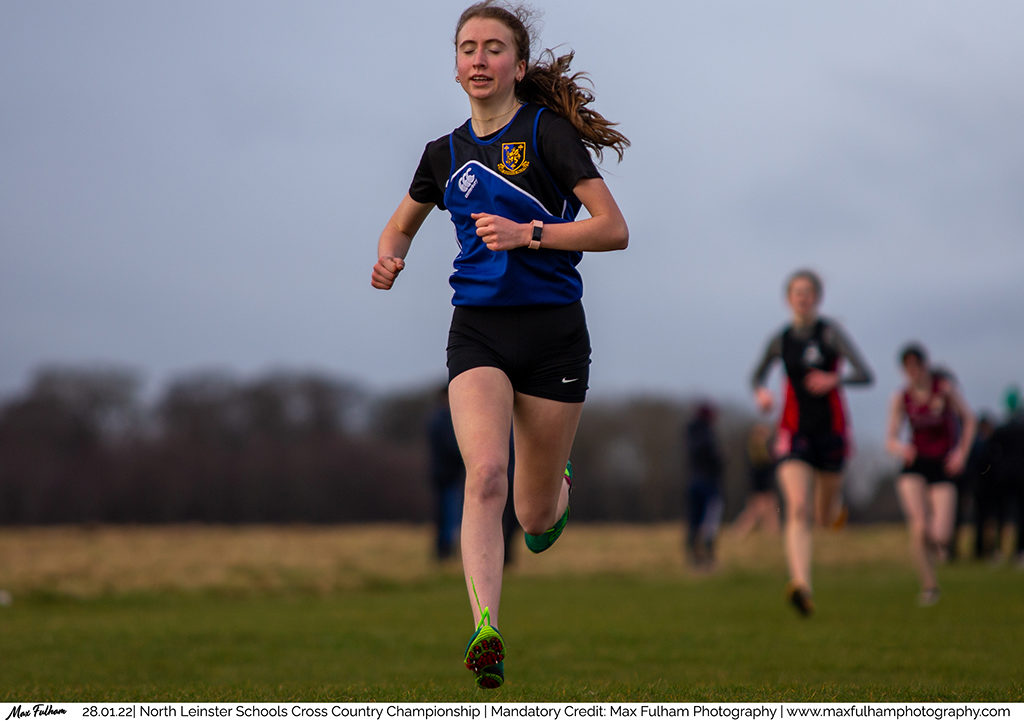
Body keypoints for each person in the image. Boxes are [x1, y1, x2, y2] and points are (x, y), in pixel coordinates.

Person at [371, 0, 628, 689]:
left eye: (493, 48)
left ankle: (556, 486)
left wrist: (529, 235)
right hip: (479, 330)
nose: (479, 59)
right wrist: (390, 257)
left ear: (517, 65)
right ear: (455, 67)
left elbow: (612, 228)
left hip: (554, 335)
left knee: (533, 517)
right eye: (468, 48)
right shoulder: (442, 154)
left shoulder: (547, 134)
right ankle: (486, 627)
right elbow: (399, 227)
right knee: (485, 473)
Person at [750, 269, 873, 616]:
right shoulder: (781, 340)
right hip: (794, 431)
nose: (803, 298)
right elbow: (757, 376)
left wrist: (835, 379)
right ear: (788, 299)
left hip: (831, 431)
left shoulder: (830, 333)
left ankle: (834, 509)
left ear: (817, 298)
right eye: (797, 292)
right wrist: (762, 394)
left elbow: (865, 374)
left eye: (808, 292)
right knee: (798, 508)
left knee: (822, 516)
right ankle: (801, 585)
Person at [885, 344, 976, 606]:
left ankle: (937, 552)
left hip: (942, 465)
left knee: (941, 534)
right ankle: (929, 586)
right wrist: (901, 448)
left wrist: (961, 454)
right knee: (919, 526)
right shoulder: (901, 397)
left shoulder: (944, 390)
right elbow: (890, 439)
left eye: (917, 366)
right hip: (915, 464)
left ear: (925, 366)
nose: (913, 372)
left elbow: (969, 420)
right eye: (908, 368)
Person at [427, 386, 465, 561]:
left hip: (443, 475)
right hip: (447, 476)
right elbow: (451, 447)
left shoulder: (436, 419)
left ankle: (444, 551)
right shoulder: (443, 420)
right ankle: (445, 551)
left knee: (445, 514)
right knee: (448, 515)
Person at [684, 403, 724, 570]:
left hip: (694, 481)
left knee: (694, 521)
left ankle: (694, 557)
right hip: (709, 483)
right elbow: (714, 458)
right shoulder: (708, 435)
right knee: (710, 521)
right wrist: (719, 461)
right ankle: (708, 556)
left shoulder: (690, 434)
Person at [731, 422, 780, 538]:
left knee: (766, 509)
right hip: (760, 485)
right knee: (757, 511)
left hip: (761, 484)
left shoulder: (758, 448)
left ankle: (773, 532)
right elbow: (764, 466)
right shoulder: (757, 449)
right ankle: (739, 532)